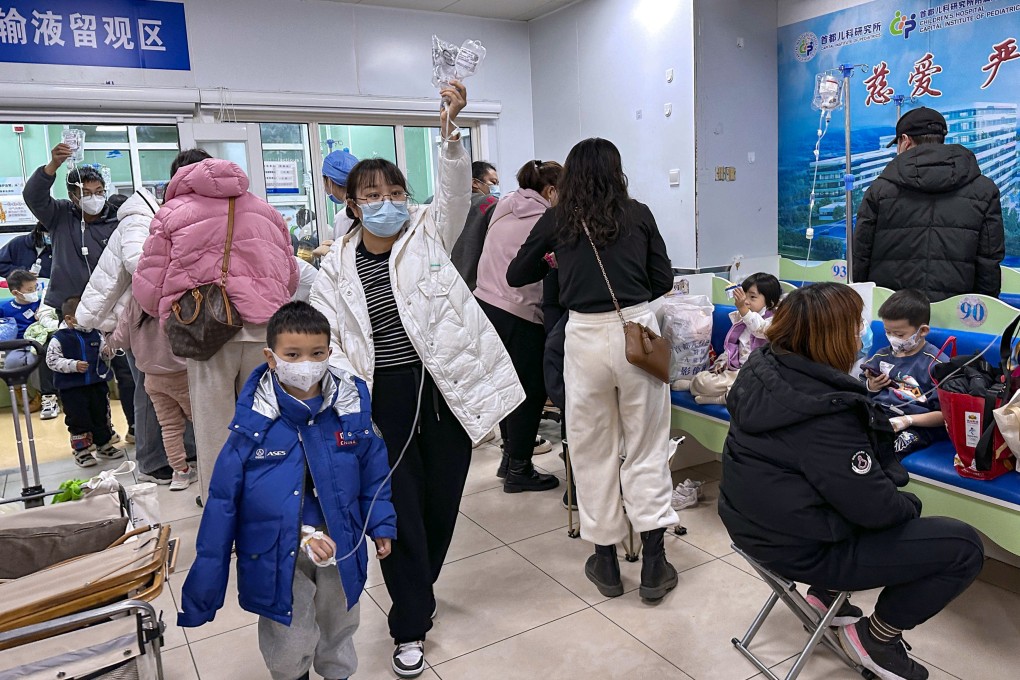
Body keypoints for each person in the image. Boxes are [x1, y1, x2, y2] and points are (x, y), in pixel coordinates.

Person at [310, 81, 524, 678]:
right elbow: (332, 344)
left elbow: (457, 189)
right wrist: (352, 403)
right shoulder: (333, 267)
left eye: (394, 190)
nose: (385, 200)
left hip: (446, 391)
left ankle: (417, 586)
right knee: (396, 510)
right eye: (371, 193)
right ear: (351, 204)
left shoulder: (428, 231)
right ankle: (409, 620)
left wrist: (450, 131)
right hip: (386, 400)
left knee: (441, 503)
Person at [719, 282, 984, 680]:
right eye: (858, 325)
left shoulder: (764, 369)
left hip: (748, 523)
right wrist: (910, 507)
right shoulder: (824, 411)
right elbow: (875, 509)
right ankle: (877, 637)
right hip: (799, 546)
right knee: (962, 547)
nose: (864, 335)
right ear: (834, 336)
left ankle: (826, 597)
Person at [177, 302, 396, 680]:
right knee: (288, 636)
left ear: (329, 353)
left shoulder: (350, 409)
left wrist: (381, 524)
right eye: (293, 354)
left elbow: (373, 473)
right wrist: (204, 586)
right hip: (278, 549)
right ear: (271, 357)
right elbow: (223, 501)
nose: (306, 363)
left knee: (339, 625)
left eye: (317, 353)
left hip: (341, 541)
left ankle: (337, 674)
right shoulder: (253, 424)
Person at [507, 137, 680, 604]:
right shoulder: (638, 212)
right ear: (616, 170)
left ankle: (604, 561)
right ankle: (655, 564)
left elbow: (516, 275)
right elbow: (662, 278)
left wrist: (559, 264)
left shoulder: (559, 218)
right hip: (636, 332)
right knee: (646, 445)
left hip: (582, 337)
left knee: (591, 447)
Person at [133, 150, 298, 503]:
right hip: (265, 330)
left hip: (206, 333)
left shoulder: (171, 214)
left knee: (214, 430)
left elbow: (148, 285)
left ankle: (224, 512)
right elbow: (290, 275)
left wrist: (168, 312)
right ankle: (271, 504)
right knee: (265, 421)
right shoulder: (266, 211)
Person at [76, 185, 196, 485]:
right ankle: (153, 461)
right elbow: (139, 263)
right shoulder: (138, 219)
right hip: (143, 321)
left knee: (162, 405)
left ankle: (181, 457)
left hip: (140, 319)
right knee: (150, 396)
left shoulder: (145, 217)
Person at [23, 149, 137, 443]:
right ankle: (88, 436)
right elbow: (33, 196)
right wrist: (54, 164)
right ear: (74, 195)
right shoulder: (60, 215)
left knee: (125, 372)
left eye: (99, 191)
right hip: (74, 309)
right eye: (86, 193)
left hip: (114, 308)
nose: (94, 197)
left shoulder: (115, 220)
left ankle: (137, 428)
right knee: (80, 377)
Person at [474, 159, 563, 493]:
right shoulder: (545, 219)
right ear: (551, 190)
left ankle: (508, 459)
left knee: (506, 389)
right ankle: (520, 470)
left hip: (485, 304)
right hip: (518, 312)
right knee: (530, 392)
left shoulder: (503, 206)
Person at [854, 107, 1005, 302]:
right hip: (958, 315)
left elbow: (860, 256)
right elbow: (989, 261)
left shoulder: (880, 190)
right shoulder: (984, 190)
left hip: (893, 315)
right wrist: (981, 313)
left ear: (905, 141)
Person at [110, 297, 196, 491]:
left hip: (152, 378)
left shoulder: (135, 301)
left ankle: (180, 473)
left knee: (170, 427)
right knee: (200, 423)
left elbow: (120, 339)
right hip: (181, 373)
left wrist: (107, 338)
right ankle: (214, 467)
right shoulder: (176, 295)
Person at [861, 289, 948, 460]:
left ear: (922, 331)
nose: (892, 339)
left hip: (918, 425)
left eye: (899, 334)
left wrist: (907, 420)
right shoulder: (882, 356)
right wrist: (872, 386)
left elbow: (945, 415)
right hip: (880, 415)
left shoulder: (937, 364)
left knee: (887, 452)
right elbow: (862, 389)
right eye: (888, 332)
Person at [677, 273, 781, 405]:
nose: (746, 301)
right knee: (703, 380)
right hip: (736, 371)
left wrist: (743, 309)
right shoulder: (741, 319)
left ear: (770, 302)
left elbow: (759, 329)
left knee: (753, 391)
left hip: (757, 375)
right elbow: (732, 346)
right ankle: (695, 385)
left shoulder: (774, 321)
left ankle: (718, 399)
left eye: (752, 297)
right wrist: (722, 362)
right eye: (744, 295)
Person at [46, 296, 124, 468]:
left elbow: (105, 354)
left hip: (97, 384)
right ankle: (81, 450)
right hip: (72, 389)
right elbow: (51, 361)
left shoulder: (95, 333)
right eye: (84, 316)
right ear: (69, 319)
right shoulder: (59, 338)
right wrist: (72, 365)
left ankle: (104, 444)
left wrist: (108, 351)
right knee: (78, 418)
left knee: (101, 414)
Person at [449, 160, 500, 289]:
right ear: (475, 183)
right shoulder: (491, 204)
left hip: (447, 284)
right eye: (493, 183)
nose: (496, 188)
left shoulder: (438, 203)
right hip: (478, 286)